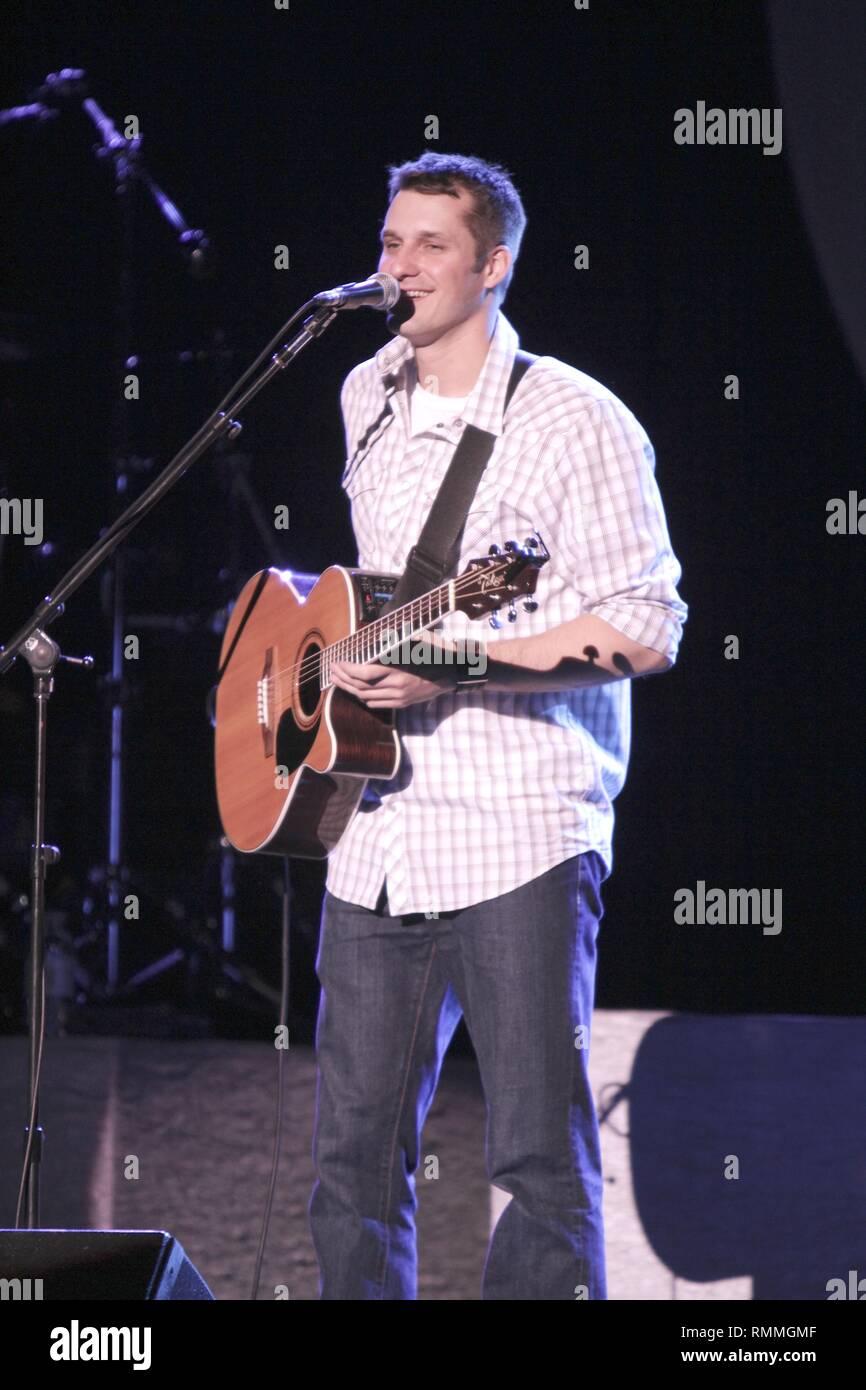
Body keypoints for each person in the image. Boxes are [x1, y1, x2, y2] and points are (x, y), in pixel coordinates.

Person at [308, 151, 687, 1299]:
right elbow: (374, 598)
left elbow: (647, 626)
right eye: (388, 241)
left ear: (494, 266)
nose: (399, 264)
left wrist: (459, 661)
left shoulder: (576, 418)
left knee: (533, 1157)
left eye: (430, 244)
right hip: (374, 837)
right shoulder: (362, 390)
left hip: (520, 829)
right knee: (350, 1164)